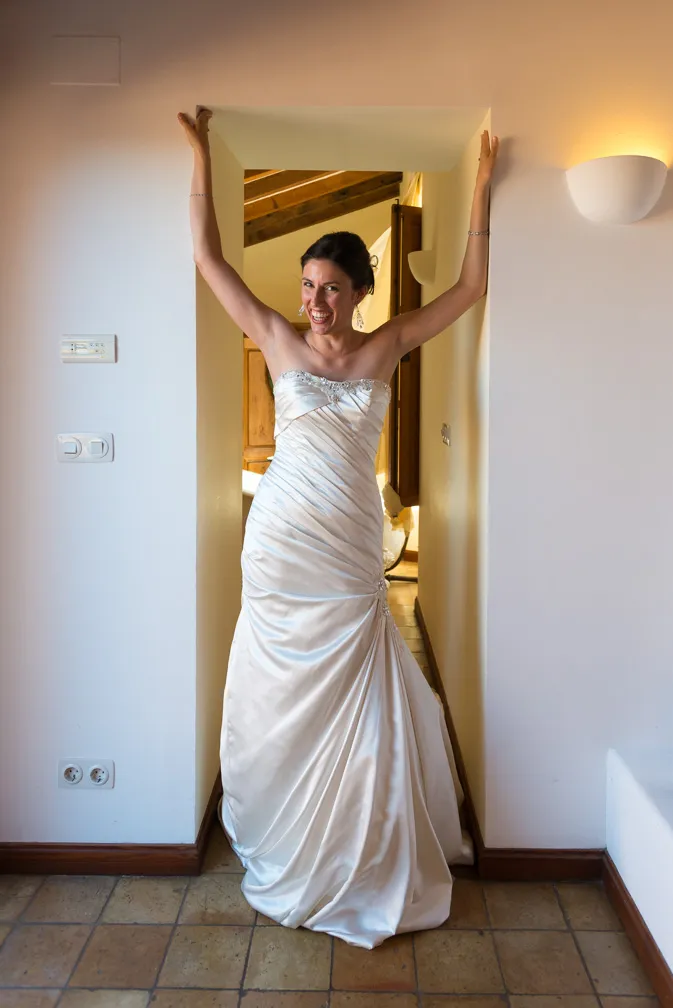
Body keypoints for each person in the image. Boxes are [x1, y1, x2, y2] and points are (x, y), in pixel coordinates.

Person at [178, 108, 499, 949]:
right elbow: (209, 259)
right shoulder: (278, 340)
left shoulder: (386, 345)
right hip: (282, 542)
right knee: (280, 689)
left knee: (358, 687)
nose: (315, 302)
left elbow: (469, 290)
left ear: (359, 294)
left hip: (350, 545)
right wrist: (199, 158)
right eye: (308, 285)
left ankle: (359, 845)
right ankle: (287, 829)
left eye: (330, 287)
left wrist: (483, 197)